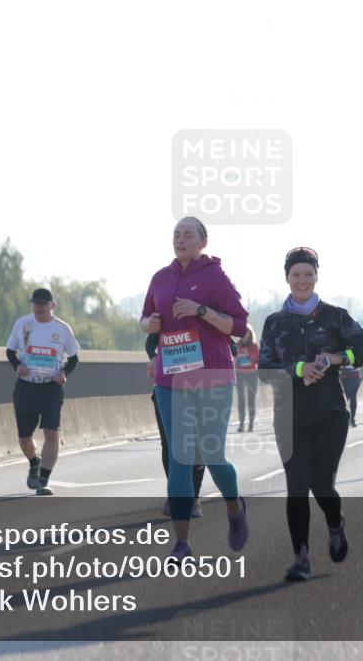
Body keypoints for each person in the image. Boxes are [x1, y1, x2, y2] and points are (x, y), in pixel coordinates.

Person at [259, 247, 363, 581]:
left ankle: (334, 522)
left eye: (308, 274)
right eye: (296, 274)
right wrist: (300, 368)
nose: (302, 280)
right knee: (297, 487)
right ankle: (301, 558)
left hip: (329, 412)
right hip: (289, 416)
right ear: (287, 278)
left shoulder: (335, 316)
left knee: (321, 486)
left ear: (316, 277)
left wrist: (338, 357)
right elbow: (265, 370)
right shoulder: (274, 322)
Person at [141, 216, 249, 562]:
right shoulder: (161, 277)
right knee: (179, 458)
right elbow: (144, 320)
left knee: (212, 455)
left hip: (213, 376)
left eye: (188, 234)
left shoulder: (215, 276)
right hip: (171, 378)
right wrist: (150, 323)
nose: (180, 239)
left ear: (204, 241)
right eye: (176, 234)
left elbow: (240, 326)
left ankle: (235, 508)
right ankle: (182, 544)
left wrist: (201, 310)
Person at [5, 288, 80, 495]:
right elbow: (10, 351)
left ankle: (44, 479)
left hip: (51, 388)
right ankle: (33, 461)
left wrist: (64, 372)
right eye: (35, 304)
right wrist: (17, 366)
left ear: (52, 306)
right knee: (24, 438)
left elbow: (73, 358)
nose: (39, 308)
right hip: (26, 387)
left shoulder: (62, 329)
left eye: (43, 304)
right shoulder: (23, 324)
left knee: (51, 433)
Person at [146, 333, 204, 518]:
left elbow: (231, 347)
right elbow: (150, 342)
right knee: (169, 444)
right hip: (166, 389)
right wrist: (154, 359)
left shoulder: (206, 316)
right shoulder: (166, 315)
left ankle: (193, 498)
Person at [234, 323, 259, 432]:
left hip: (252, 374)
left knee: (251, 399)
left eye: (247, 333)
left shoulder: (254, 346)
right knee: (241, 399)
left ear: (250, 333)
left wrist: (246, 356)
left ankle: (251, 423)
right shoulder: (237, 345)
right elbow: (234, 360)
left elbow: (255, 359)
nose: (245, 335)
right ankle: (241, 423)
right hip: (240, 374)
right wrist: (239, 358)